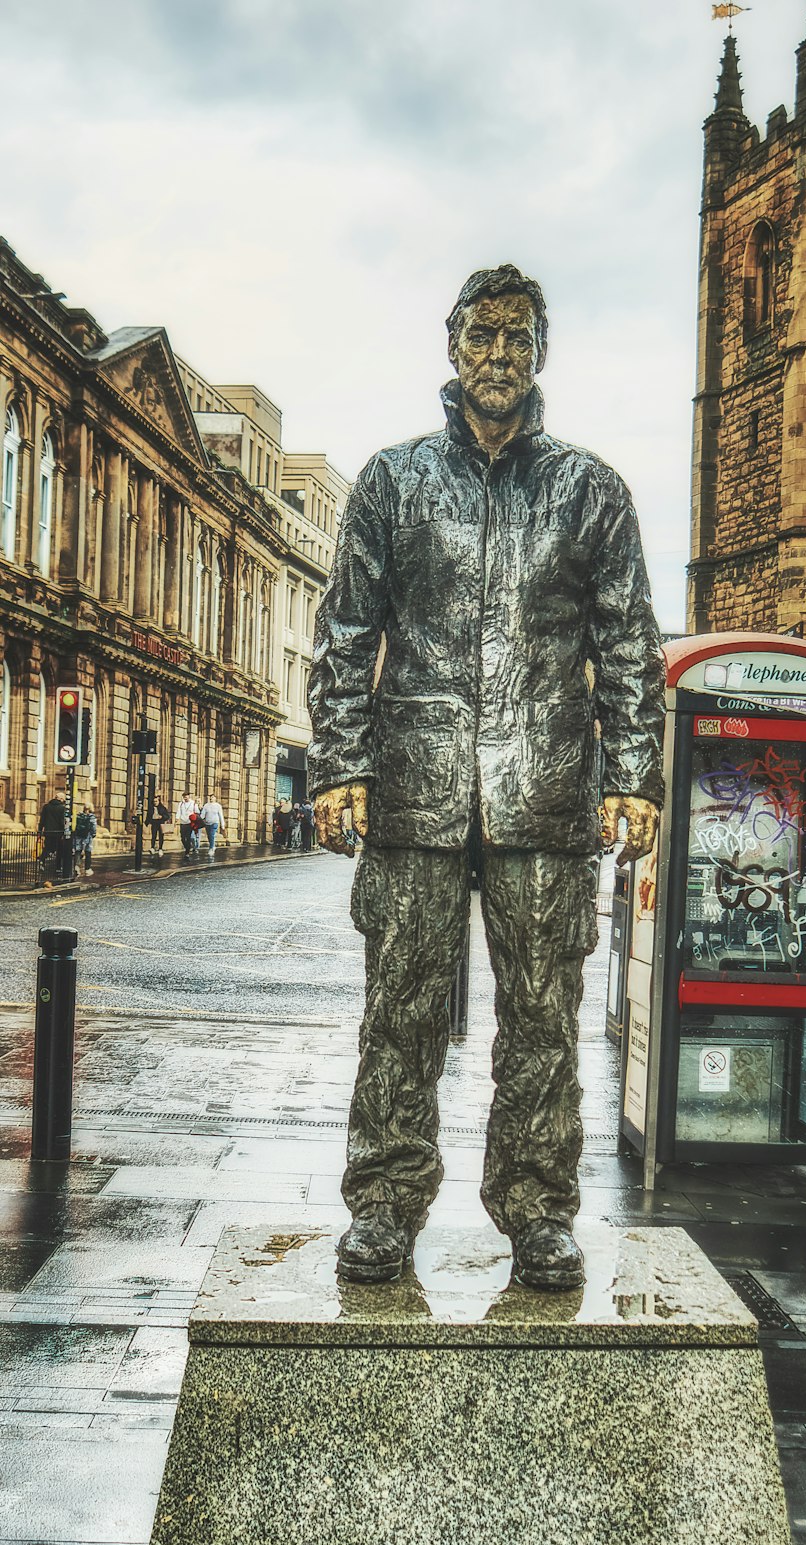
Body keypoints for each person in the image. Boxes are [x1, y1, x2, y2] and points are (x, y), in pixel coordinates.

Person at [307, 265, 664, 1291]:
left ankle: (538, 1212)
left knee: (543, 1020)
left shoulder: (588, 489)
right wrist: (340, 765)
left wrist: (629, 774)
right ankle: (380, 1205)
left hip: (544, 791)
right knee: (401, 1010)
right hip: (415, 790)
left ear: (540, 350)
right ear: (451, 346)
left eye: (515, 338)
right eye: (480, 337)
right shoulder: (391, 480)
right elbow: (346, 633)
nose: (497, 356)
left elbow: (628, 643)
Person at [38, 790, 67, 874]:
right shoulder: (62, 808)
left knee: (47, 848)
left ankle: (42, 862)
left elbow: (42, 820)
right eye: (63, 800)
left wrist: (40, 831)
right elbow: (62, 822)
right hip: (58, 833)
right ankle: (58, 867)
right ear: (61, 799)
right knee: (59, 850)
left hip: (48, 832)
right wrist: (64, 831)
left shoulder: (46, 807)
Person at [73, 798, 98, 876]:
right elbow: (93, 827)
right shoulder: (92, 817)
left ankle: (76, 867)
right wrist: (93, 834)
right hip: (87, 836)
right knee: (88, 852)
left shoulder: (79, 815)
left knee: (78, 851)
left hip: (78, 836)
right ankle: (87, 869)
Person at [176, 790, 200, 857]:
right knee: (182, 838)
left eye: (186, 797)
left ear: (189, 796)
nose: (185, 798)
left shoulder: (193, 803)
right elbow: (178, 812)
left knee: (188, 837)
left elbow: (196, 811)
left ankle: (187, 852)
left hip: (190, 823)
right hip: (183, 822)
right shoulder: (181, 804)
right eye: (184, 797)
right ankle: (187, 847)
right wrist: (176, 819)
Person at [200, 793, 225, 858]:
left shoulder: (218, 806)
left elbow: (221, 815)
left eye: (213, 797)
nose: (211, 798)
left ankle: (211, 848)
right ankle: (213, 845)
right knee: (209, 836)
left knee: (212, 834)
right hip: (207, 823)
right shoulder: (206, 805)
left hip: (215, 822)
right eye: (210, 797)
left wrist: (222, 824)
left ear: (215, 798)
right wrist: (200, 820)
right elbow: (203, 814)